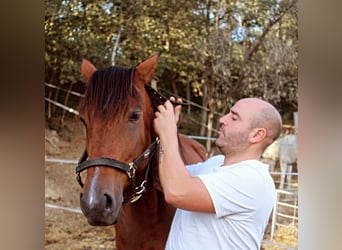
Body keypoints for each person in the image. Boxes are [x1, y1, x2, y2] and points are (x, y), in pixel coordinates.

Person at [153, 97, 282, 250]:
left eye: (234, 118)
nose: (222, 119)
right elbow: (166, 178)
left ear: (256, 135)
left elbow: (176, 191)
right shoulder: (215, 163)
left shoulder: (253, 179)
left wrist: (168, 133)